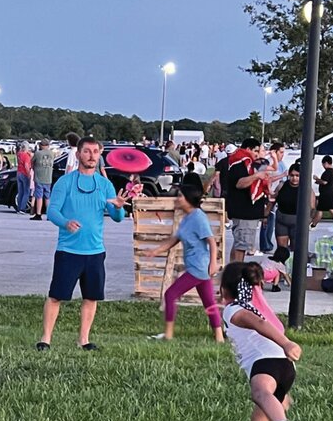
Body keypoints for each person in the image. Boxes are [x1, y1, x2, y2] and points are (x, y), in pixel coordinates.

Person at [220, 261, 305, 421]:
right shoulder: (251, 305)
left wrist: (286, 343)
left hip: (267, 363)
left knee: (259, 391)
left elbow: (258, 324)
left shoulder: (233, 310)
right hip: (284, 369)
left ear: (224, 290)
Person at [37, 137, 128, 351]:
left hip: (95, 251)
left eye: (96, 152)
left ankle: (83, 340)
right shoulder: (66, 182)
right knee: (56, 296)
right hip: (68, 251)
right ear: (78, 155)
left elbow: (117, 217)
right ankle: (46, 339)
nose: (92, 156)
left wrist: (119, 207)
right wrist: (65, 222)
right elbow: (52, 211)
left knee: (91, 296)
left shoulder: (105, 185)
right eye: (87, 151)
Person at [143, 185, 223, 343]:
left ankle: (169, 334)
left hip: (198, 268)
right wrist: (155, 251)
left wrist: (213, 263)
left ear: (188, 199)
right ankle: (219, 337)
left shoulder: (199, 217)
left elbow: (212, 241)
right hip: (197, 267)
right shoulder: (187, 218)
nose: (177, 199)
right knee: (209, 302)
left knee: (170, 294)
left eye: (180, 196)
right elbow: (175, 239)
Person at [225, 138, 267, 262]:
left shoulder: (248, 163)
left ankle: (232, 271)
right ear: (247, 149)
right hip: (245, 214)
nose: (257, 154)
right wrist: (256, 176)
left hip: (248, 214)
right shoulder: (241, 163)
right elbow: (239, 183)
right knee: (242, 246)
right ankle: (237, 273)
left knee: (239, 244)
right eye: (255, 151)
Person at [273, 164, 313, 249]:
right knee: (282, 249)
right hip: (282, 220)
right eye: (292, 175)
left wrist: (309, 219)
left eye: (297, 176)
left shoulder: (306, 188)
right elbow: (272, 200)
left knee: (296, 249)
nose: (294, 178)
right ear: (289, 175)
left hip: (298, 221)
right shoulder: (282, 185)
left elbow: (312, 206)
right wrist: (265, 216)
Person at [310, 155, 333, 226]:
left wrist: (317, 179)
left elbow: (324, 182)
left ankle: (313, 224)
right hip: (331, 193)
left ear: (326, 163)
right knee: (322, 209)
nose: (323, 166)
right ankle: (313, 224)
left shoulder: (328, 172)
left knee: (327, 209)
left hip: (326, 194)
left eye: (323, 164)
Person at [30, 139, 55, 221]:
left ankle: (38, 214)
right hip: (48, 178)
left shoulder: (38, 153)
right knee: (47, 197)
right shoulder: (52, 154)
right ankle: (49, 215)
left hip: (39, 177)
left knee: (39, 196)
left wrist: (34, 169)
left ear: (41, 145)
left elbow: (32, 162)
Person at [15, 142, 33, 214]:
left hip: (18, 173)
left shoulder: (19, 154)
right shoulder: (26, 156)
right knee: (26, 192)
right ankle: (22, 208)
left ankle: (18, 208)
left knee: (20, 192)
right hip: (24, 174)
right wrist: (28, 174)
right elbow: (26, 165)